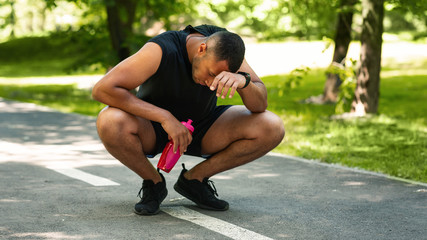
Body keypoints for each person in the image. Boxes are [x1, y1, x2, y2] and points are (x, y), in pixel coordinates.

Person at [92, 24, 285, 215]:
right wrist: (165, 117)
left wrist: (244, 82)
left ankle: (194, 181)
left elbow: (259, 105)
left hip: (203, 126)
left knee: (272, 126)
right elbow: (103, 89)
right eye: (211, 74)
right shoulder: (161, 49)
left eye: (218, 78)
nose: (211, 84)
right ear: (202, 49)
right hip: (152, 126)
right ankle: (154, 183)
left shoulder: (227, 48)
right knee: (109, 120)